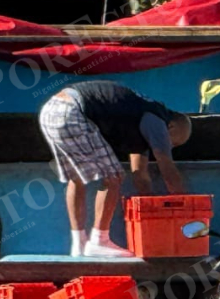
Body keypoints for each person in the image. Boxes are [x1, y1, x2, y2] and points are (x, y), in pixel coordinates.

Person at [38, 80, 193, 258]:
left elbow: (140, 176)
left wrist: (151, 214)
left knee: (77, 178)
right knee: (113, 177)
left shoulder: (139, 120)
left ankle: (79, 243)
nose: (168, 146)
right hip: (73, 111)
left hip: (52, 110)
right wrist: (185, 211)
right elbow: (168, 169)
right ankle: (99, 240)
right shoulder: (157, 119)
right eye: (173, 142)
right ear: (171, 126)